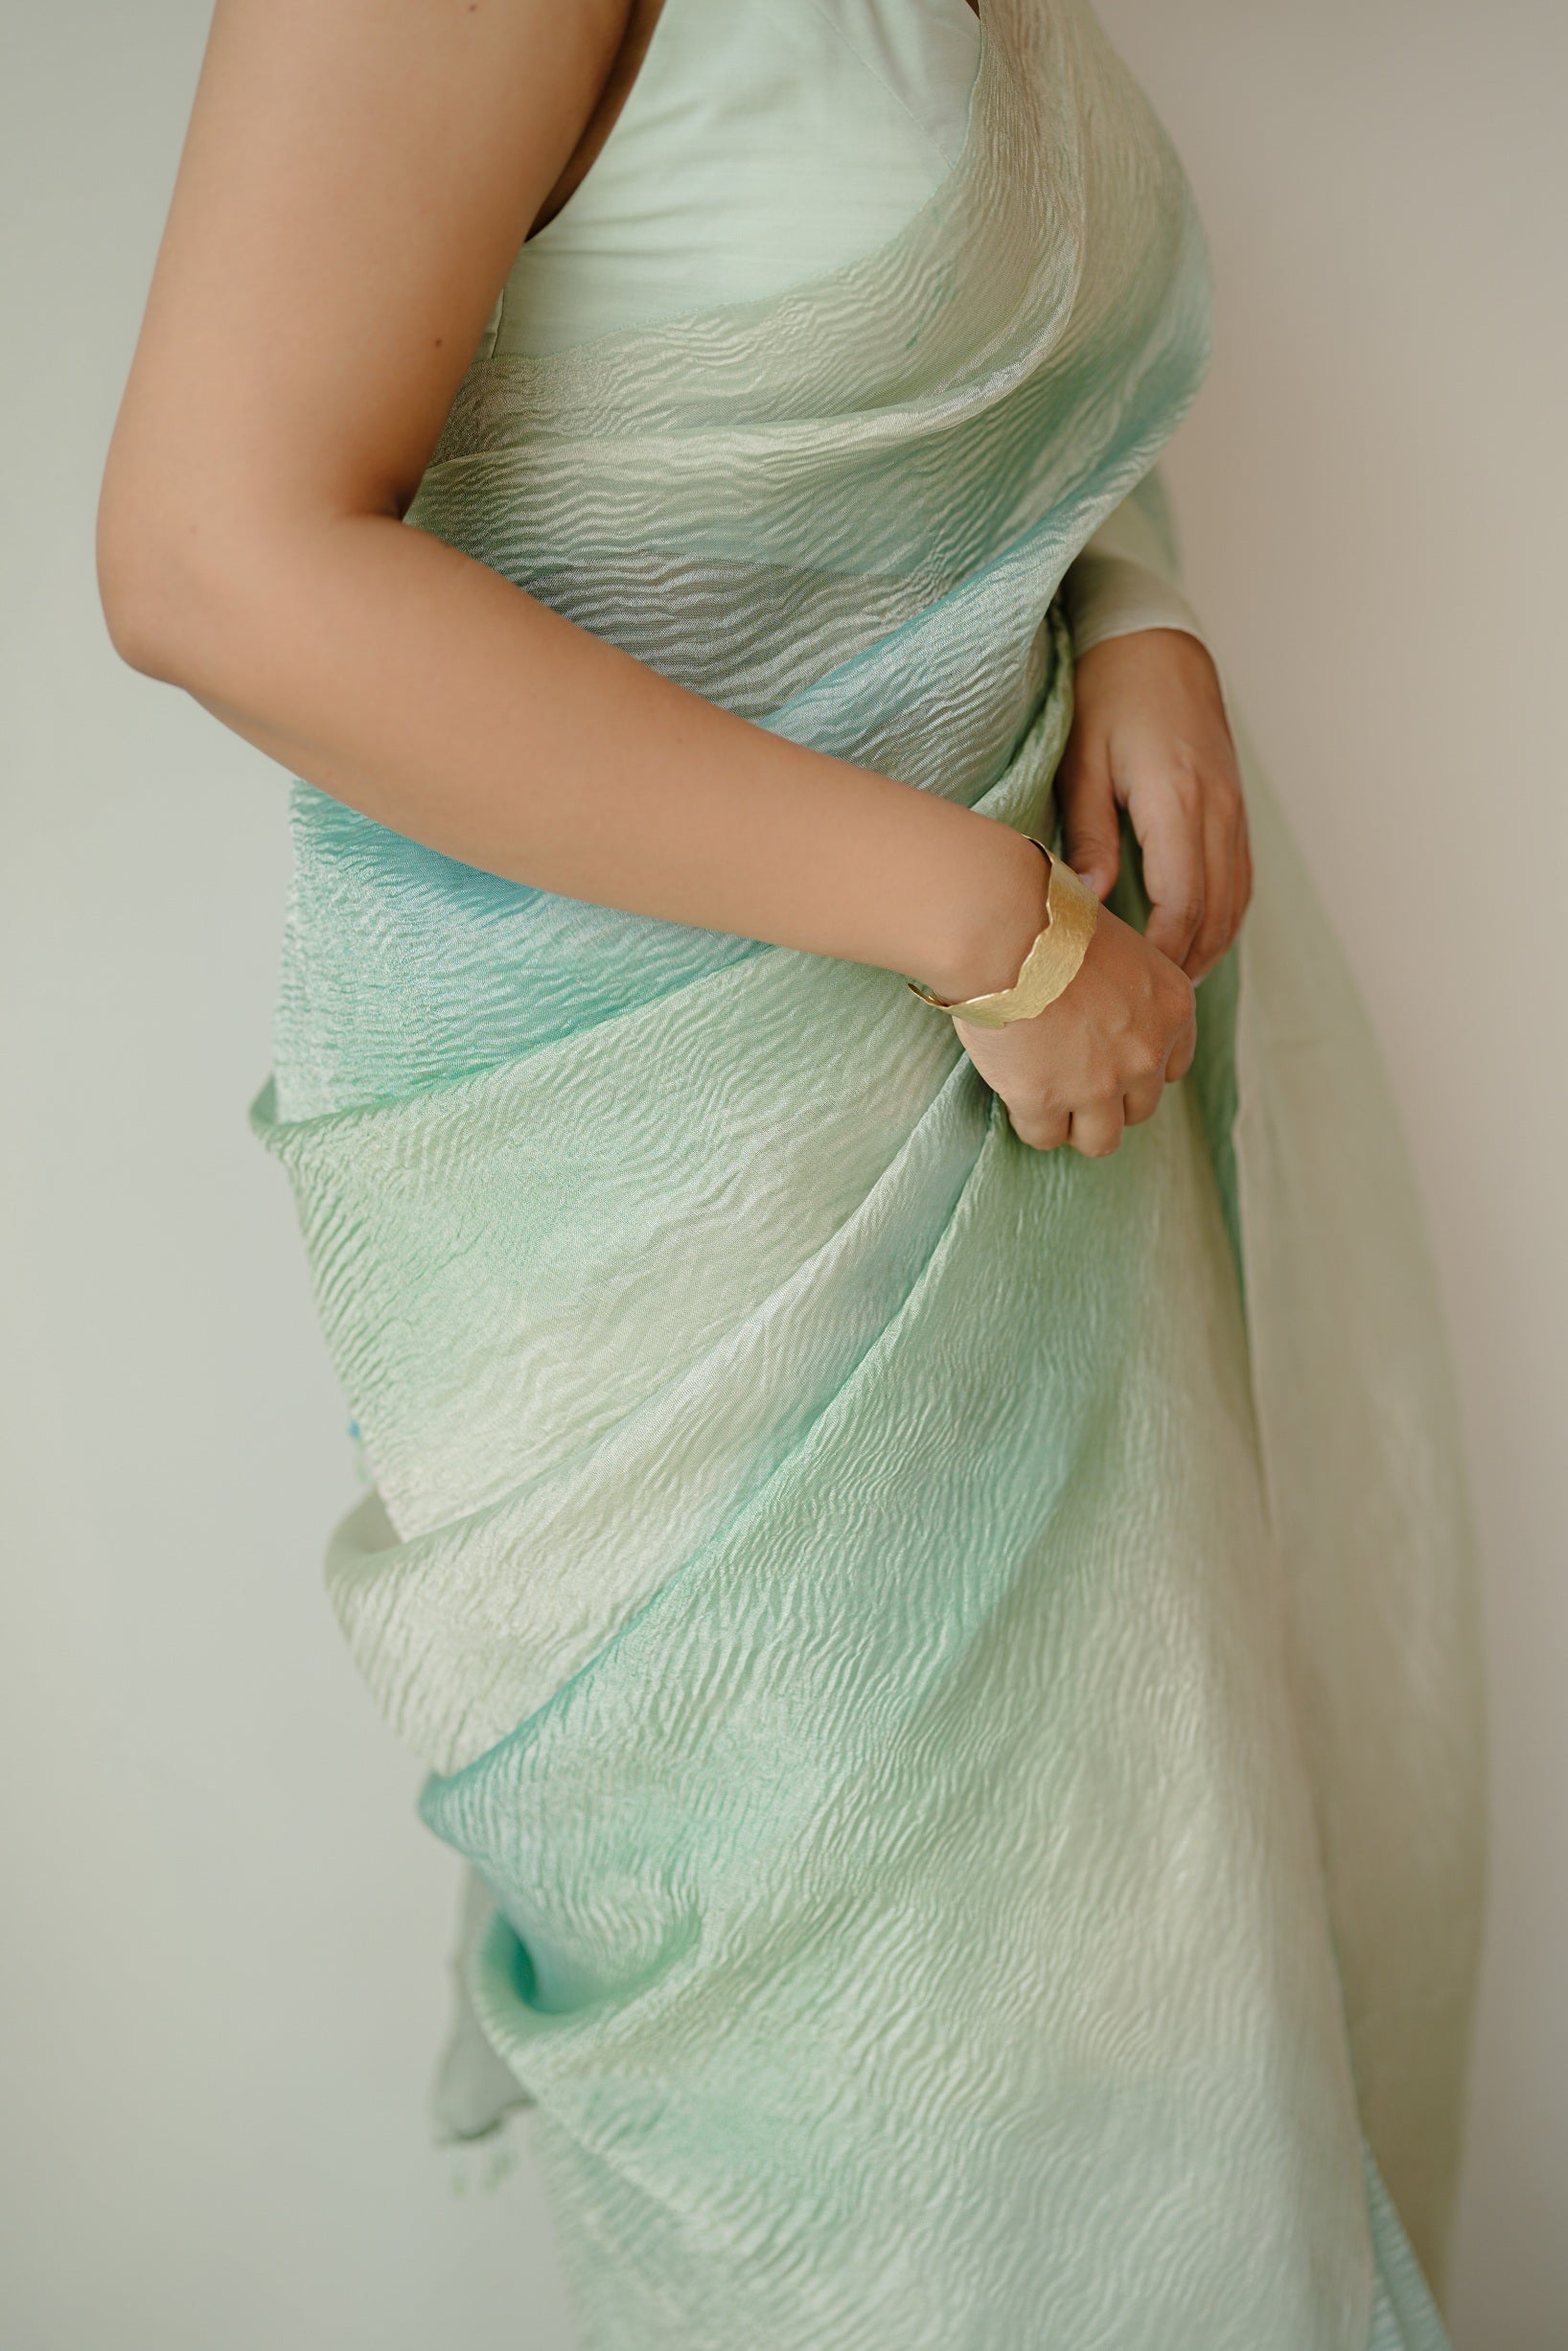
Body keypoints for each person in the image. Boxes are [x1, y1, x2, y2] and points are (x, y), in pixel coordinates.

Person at [97, 2, 1485, 2344]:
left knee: (1149, 2065)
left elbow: (960, 364)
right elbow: (210, 562)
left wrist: (1126, 591)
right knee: (873, 2190)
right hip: (689, 1248)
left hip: (1038, 1172)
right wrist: (979, 919)